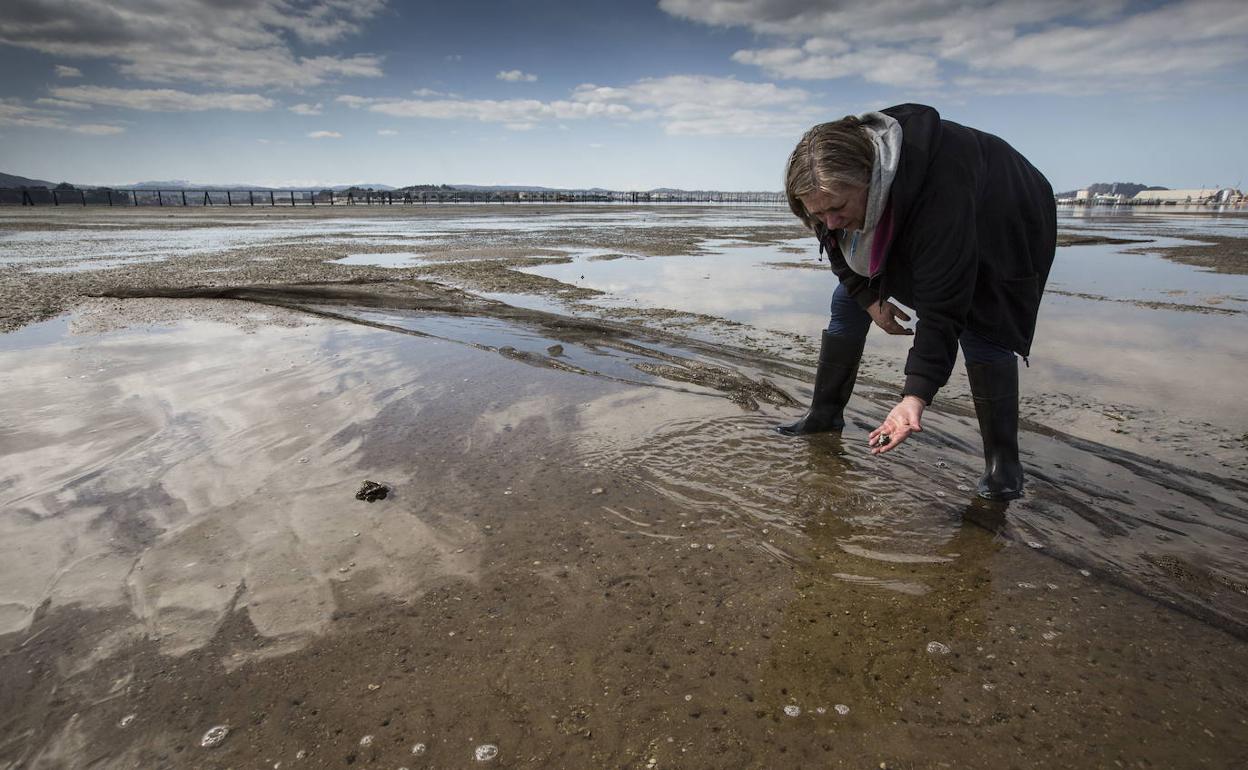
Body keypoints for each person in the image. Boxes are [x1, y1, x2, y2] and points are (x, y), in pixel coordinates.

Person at [777, 104, 1056, 501]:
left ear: (872, 180)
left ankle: (1004, 465)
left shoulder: (941, 193)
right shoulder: (829, 188)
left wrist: (914, 398)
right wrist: (870, 299)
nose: (831, 222)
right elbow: (835, 243)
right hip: (916, 204)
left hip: (1005, 210)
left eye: (837, 209)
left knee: (983, 322)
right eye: (818, 213)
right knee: (847, 301)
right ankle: (824, 415)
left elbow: (942, 308)